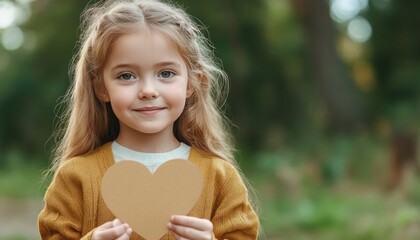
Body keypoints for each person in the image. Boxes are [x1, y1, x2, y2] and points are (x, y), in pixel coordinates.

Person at [38, 0, 259, 239]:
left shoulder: (219, 177)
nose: (148, 90)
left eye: (166, 73)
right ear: (101, 87)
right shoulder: (75, 178)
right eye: (126, 75)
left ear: (192, 83)